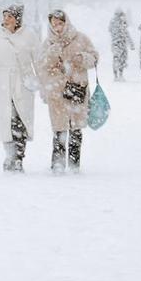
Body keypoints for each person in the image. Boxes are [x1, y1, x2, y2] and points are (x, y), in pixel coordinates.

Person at [36, 9, 99, 174]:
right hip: (56, 92)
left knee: (76, 129)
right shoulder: (47, 44)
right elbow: (41, 66)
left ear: (66, 22)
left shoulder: (81, 38)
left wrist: (82, 59)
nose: (58, 27)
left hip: (77, 89)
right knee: (59, 129)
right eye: (54, 24)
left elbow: (94, 57)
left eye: (60, 23)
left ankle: (74, 164)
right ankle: (57, 164)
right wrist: (51, 56)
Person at [0, 4, 39, 173]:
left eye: (10, 17)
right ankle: (9, 155)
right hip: (2, 83)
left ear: (17, 19)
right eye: (4, 16)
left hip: (23, 82)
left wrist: (41, 81)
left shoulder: (29, 35)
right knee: (5, 120)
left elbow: (38, 58)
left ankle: (19, 157)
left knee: (21, 121)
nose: (5, 20)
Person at [108, 8, 134, 81]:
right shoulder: (122, 21)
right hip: (121, 43)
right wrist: (131, 43)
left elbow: (110, 30)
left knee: (117, 59)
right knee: (121, 60)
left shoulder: (113, 22)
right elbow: (126, 33)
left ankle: (116, 75)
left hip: (116, 44)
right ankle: (120, 75)